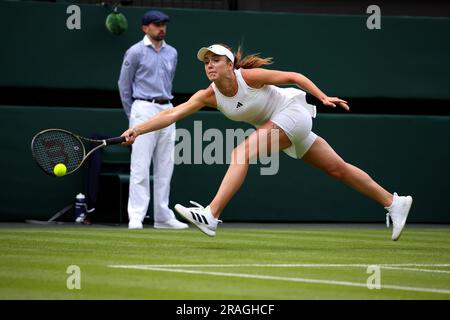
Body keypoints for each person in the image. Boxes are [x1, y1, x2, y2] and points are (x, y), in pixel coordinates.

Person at [121, 44, 413, 240]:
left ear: (230, 64)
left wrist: (322, 97)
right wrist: (139, 129)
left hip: (294, 114)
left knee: (241, 152)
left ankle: (211, 214)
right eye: (206, 62)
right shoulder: (208, 95)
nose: (209, 65)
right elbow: (173, 114)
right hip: (280, 127)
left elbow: (293, 76)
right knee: (338, 169)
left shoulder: (249, 76)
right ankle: (393, 202)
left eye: (216, 60)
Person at [118, 10, 188, 230]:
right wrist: (134, 116)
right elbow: (124, 85)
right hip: (143, 107)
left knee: (165, 165)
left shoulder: (173, 53)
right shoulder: (135, 52)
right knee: (140, 165)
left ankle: (162, 217)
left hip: (167, 108)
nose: (162, 29)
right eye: (157, 25)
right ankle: (136, 216)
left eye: (164, 25)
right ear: (145, 28)